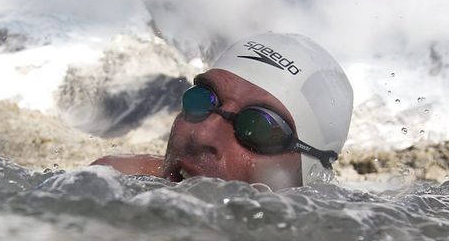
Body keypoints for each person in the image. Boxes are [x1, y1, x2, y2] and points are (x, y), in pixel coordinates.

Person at [92, 32, 353, 188]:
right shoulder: (110, 181)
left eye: (257, 127)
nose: (203, 134)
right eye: (202, 100)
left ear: (310, 175)